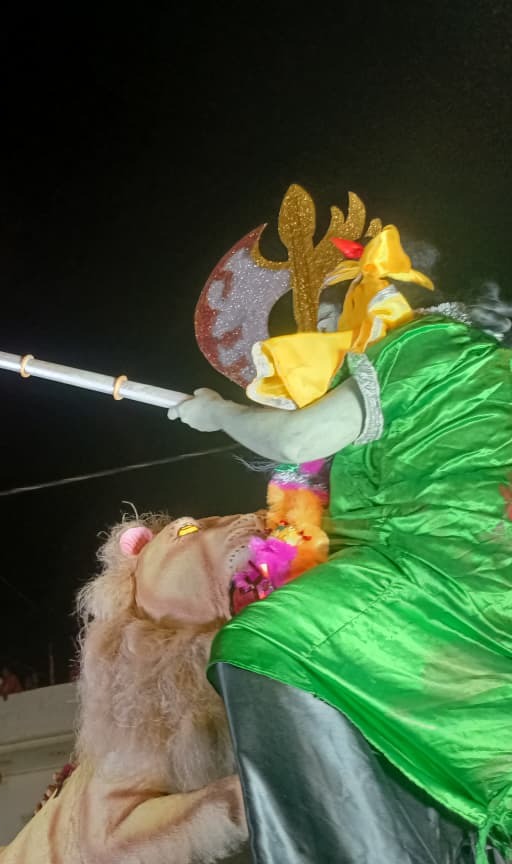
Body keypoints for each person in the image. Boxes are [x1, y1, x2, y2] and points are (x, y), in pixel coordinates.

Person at [170, 217, 512, 863]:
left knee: (268, 642)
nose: (327, 343)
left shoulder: (417, 345)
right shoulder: (486, 359)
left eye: (330, 322)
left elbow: (298, 439)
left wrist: (216, 413)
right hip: (478, 573)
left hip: (436, 571)